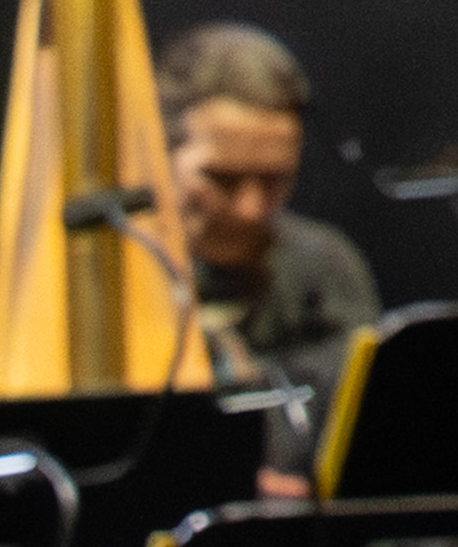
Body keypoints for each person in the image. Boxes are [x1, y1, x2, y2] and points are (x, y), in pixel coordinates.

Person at [157, 22, 382, 392]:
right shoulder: (106, 272)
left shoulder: (322, 270)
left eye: (274, 180)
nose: (251, 209)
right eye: (223, 179)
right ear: (157, 151)